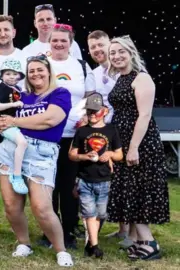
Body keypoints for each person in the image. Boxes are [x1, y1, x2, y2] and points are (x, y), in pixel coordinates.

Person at [0, 55, 74, 267]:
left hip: (42, 153)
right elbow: (1, 116)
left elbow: (50, 120)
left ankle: (61, 250)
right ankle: (24, 243)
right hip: (11, 149)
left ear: (48, 71)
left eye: (40, 69)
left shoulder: (60, 93)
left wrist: (13, 121)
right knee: (10, 205)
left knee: (42, 207)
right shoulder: (21, 96)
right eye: (31, 71)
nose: (36, 74)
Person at [107, 36, 169, 260]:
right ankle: (140, 240)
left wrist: (133, 148)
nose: (116, 56)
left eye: (120, 51)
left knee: (140, 192)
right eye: (112, 53)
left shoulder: (142, 78)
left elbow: (144, 116)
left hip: (141, 144)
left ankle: (150, 243)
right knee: (129, 191)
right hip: (123, 142)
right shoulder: (121, 78)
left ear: (131, 52)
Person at [45, 23, 96, 248]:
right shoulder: (41, 65)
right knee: (47, 186)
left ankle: (68, 232)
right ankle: (49, 231)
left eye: (63, 40)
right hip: (46, 134)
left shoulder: (82, 67)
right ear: (49, 42)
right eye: (55, 40)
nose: (58, 44)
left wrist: (86, 117)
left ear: (71, 42)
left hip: (73, 136)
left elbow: (93, 98)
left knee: (67, 186)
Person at [0, 14, 28, 233]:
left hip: (20, 121)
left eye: (6, 29)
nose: (2, 33)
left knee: (18, 165)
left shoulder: (25, 56)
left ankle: (16, 217)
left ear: (14, 32)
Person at [87, 30, 131, 243]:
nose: (97, 50)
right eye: (92, 47)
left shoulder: (125, 70)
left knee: (129, 180)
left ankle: (133, 232)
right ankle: (122, 229)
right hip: (106, 132)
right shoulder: (94, 75)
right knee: (114, 180)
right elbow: (94, 104)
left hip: (126, 129)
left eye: (100, 45)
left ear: (109, 45)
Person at [68, 92, 123, 259]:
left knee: (101, 214)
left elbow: (120, 155)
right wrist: (85, 156)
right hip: (85, 179)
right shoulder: (82, 131)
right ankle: (95, 246)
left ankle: (90, 242)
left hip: (104, 180)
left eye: (95, 111)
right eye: (89, 111)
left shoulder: (112, 130)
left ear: (105, 111)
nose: (92, 115)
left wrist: (110, 154)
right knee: (89, 213)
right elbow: (71, 154)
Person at [0, 59, 28, 194]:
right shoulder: (1, 88)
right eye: (8, 74)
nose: (11, 77)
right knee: (22, 143)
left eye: (14, 74)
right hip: (4, 123)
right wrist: (13, 105)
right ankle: (17, 176)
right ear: (2, 75)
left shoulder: (17, 89)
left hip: (16, 122)